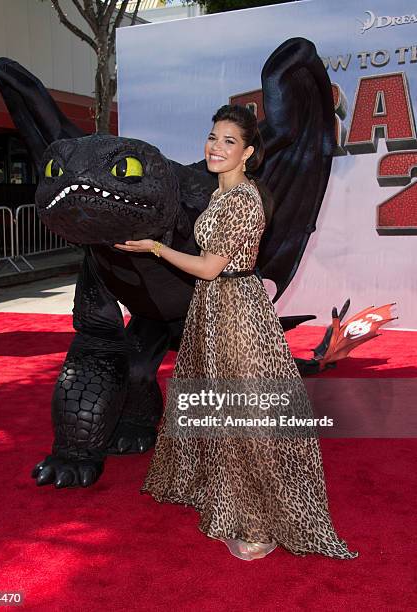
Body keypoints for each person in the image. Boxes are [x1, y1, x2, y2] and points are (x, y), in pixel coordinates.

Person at [114, 104, 358, 561]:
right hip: (214, 308)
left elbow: (209, 266)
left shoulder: (244, 199)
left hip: (237, 312)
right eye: (212, 137)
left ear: (247, 153)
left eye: (229, 141)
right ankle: (224, 493)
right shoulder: (219, 195)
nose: (216, 147)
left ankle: (261, 522)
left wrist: (156, 248)